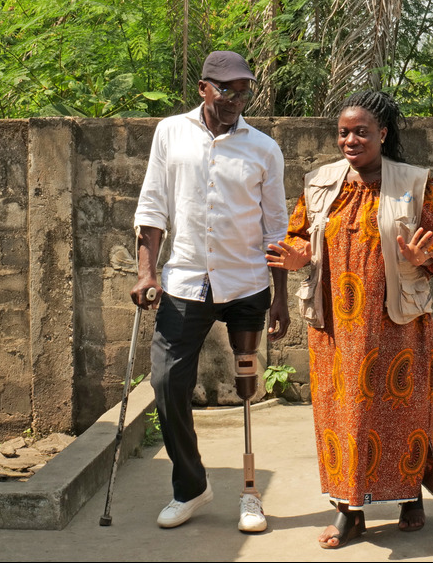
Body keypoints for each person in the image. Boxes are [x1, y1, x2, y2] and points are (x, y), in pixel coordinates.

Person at [266, 90, 433, 549]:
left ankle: (410, 497)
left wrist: (422, 256)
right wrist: (295, 257)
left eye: (362, 132)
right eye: (344, 132)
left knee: (403, 414)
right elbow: (298, 240)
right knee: (343, 419)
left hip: (396, 323)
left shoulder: (413, 182)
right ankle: (349, 511)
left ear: (383, 134)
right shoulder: (319, 182)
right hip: (335, 327)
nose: (351, 140)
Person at [132, 50, 289, 531]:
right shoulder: (170, 133)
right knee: (166, 382)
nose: (236, 99)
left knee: (246, 389)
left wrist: (280, 297)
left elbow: (276, 229)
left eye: (244, 91)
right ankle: (192, 486)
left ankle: (249, 494)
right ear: (203, 87)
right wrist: (146, 273)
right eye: (227, 90)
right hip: (184, 281)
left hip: (246, 284)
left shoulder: (264, 148)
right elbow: (153, 207)